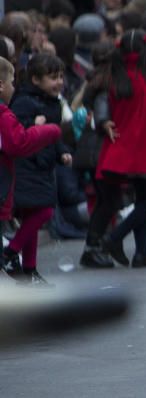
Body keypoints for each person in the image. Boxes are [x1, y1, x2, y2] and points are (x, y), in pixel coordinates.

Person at [91, 29, 146, 268]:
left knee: (143, 198)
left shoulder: (115, 76)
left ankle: (141, 252)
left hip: (120, 146)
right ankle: (115, 237)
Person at [0, 56, 65, 284]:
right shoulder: (20, 105)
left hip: (39, 166)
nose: (58, 82)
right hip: (26, 167)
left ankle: (29, 269)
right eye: (11, 83)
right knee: (43, 211)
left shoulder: (51, 102)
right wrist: (45, 130)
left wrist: (60, 151)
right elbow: (18, 140)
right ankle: (9, 253)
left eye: (60, 77)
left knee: (36, 213)